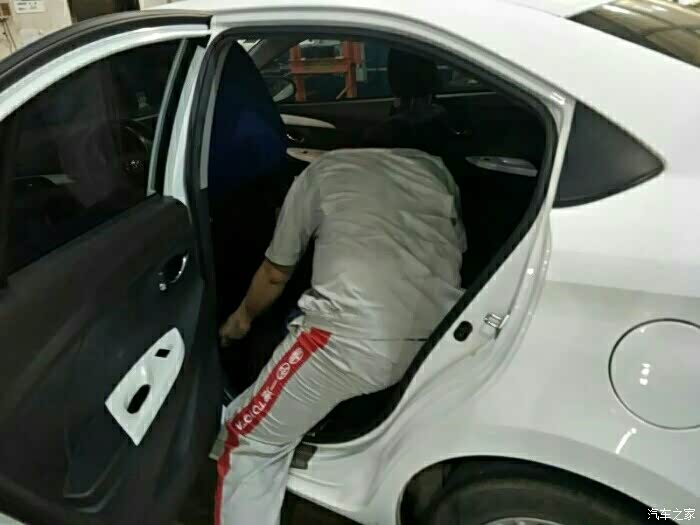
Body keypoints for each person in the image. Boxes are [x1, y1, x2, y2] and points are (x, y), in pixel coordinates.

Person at [215, 145, 466, 525]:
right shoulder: (436, 169)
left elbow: (275, 273)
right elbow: (454, 246)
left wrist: (241, 319)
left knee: (246, 440)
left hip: (349, 342)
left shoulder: (321, 172)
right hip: (443, 336)